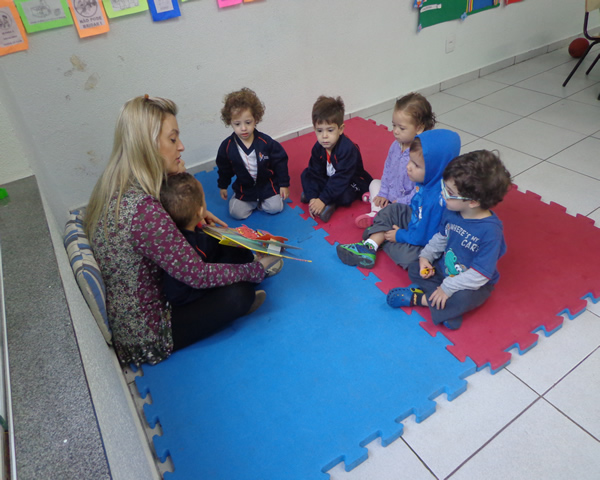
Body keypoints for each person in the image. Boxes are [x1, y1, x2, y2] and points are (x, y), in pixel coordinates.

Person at [85, 95, 278, 366]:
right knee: (239, 294)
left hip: (163, 285)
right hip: (150, 331)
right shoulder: (145, 213)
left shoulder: (125, 183)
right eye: (173, 139)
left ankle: (247, 268)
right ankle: (251, 276)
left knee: (213, 239)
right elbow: (196, 275)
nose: (181, 146)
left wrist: (195, 213)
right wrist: (255, 270)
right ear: (148, 146)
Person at [386, 150, 512, 330]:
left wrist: (448, 287)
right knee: (415, 267)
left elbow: (480, 274)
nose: (443, 194)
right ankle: (445, 307)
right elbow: (442, 237)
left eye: (449, 192)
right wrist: (426, 257)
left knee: (464, 298)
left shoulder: (491, 232)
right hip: (443, 269)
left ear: (473, 202)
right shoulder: (453, 210)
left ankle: (420, 298)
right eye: (444, 186)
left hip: (472, 283)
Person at [336, 129, 461, 269]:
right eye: (410, 161)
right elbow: (413, 208)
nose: (408, 167)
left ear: (436, 168)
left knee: (408, 258)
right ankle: (370, 245)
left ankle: (379, 236)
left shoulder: (436, 201)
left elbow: (422, 237)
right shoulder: (427, 180)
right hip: (415, 221)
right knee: (392, 209)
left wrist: (399, 236)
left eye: (416, 165)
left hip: (424, 239)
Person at [160, 172, 283, 311]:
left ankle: (251, 269)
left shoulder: (186, 228)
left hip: (203, 270)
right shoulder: (187, 247)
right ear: (200, 211)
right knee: (241, 293)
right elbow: (203, 278)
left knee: (230, 244)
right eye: (203, 199)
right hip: (192, 297)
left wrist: (243, 240)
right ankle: (241, 300)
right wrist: (261, 266)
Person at [355, 92, 436, 228]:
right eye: (394, 125)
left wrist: (400, 201)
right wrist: (383, 193)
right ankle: (377, 209)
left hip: (406, 201)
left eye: (402, 128)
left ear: (419, 128)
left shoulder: (421, 154)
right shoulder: (395, 145)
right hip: (391, 192)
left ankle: (378, 212)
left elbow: (420, 190)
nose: (396, 131)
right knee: (374, 183)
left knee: (412, 212)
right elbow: (387, 169)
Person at [216, 87, 290, 220]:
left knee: (276, 208)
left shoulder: (265, 142)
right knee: (236, 213)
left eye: (248, 122)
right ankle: (252, 201)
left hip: (266, 185)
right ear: (230, 122)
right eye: (237, 124)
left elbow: (280, 162)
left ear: (255, 119)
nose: (243, 128)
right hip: (245, 188)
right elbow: (224, 169)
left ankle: (260, 202)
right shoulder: (227, 147)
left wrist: (284, 184)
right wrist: (223, 186)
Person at [300, 95, 373, 223]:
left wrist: (323, 199)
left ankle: (330, 203)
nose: (324, 136)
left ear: (340, 129)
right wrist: (313, 198)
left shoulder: (347, 149)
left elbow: (341, 178)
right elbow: (315, 172)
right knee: (306, 174)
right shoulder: (318, 148)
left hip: (349, 180)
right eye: (319, 131)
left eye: (330, 130)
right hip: (329, 178)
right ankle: (314, 196)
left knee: (346, 195)